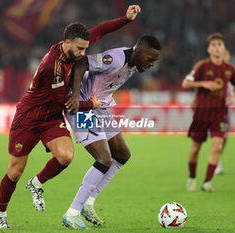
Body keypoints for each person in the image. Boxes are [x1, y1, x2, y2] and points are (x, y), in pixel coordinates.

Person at [0, 5, 141, 229]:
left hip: (52, 117)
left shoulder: (75, 46)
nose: (83, 54)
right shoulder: (54, 66)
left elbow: (101, 29)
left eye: (85, 48)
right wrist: (91, 104)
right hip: (30, 117)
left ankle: (39, 184)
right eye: (80, 49)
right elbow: (64, 102)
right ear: (67, 43)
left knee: (65, 157)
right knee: (15, 171)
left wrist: (126, 19)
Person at [61, 35, 161, 229]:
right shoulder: (115, 59)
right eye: (150, 59)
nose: (151, 65)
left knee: (122, 154)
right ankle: (72, 212)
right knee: (104, 159)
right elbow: (82, 63)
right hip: (83, 108)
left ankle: (88, 204)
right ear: (139, 51)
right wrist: (75, 97)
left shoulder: (132, 65)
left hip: (100, 108)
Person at [182, 32, 235, 192]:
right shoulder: (202, 66)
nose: (217, 48)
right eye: (213, 45)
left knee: (218, 146)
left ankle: (207, 182)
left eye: (219, 45)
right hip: (202, 113)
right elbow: (186, 83)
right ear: (209, 49)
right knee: (195, 149)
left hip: (220, 114)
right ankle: (192, 177)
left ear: (224, 48)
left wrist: (233, 96)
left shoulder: (230, 69)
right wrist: (204, 84)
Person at [215, 49, 235, 175]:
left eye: (225, 55)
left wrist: (234, 95)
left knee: (225, 137)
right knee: (217, 136)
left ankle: (217, 159)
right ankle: (217, 164)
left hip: (227, 109)